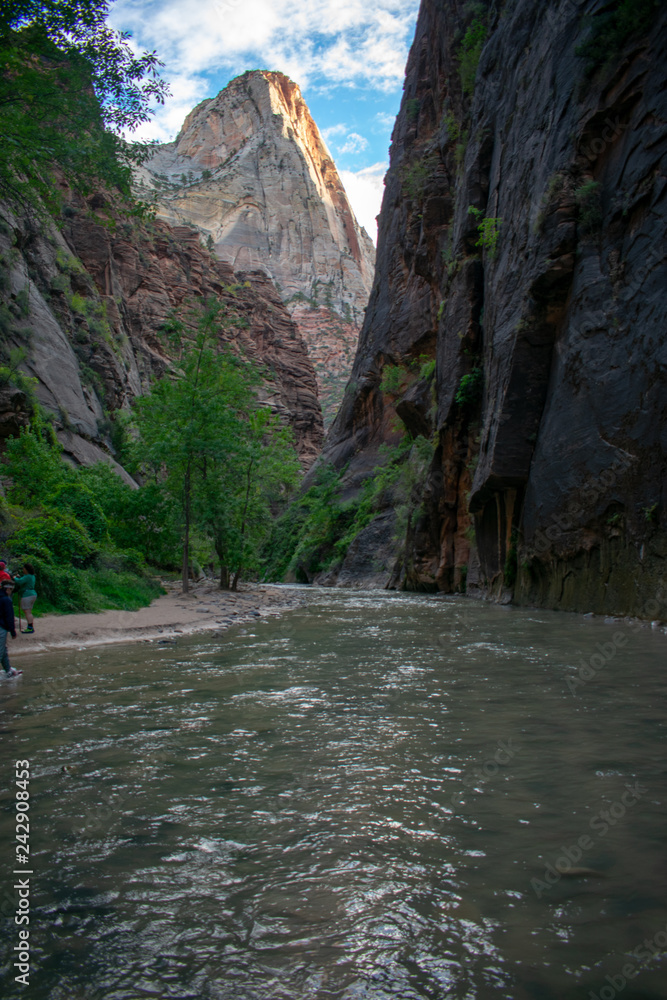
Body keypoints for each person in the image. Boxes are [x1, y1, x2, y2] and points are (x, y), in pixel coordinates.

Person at [0, 579, 21, 678]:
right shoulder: (6, 600)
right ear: (8, 589)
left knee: (3, 650)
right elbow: (9, 617)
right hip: (1, 628)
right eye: (11, 590)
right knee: (1, 651)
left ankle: (8, 670)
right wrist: (13, 631)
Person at [13, 563, 37, 634]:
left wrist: (14, 578)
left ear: (26, 569)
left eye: (23, 568)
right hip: (32, 594)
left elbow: (19, 582)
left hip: (27, 595)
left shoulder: (27, 576)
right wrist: (19, 577)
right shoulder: (32, 576)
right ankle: (30, 627)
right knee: (29, 611)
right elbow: (23, 580)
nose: (23, 570)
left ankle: (30, 628)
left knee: (27, 611)